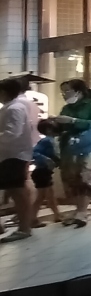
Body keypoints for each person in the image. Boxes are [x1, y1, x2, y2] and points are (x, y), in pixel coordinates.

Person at [49, 78, 91, 228]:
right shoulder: (67, 108)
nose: (64, 94)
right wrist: (55, 123)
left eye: (67, 91)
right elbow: (61, 128)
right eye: (62, 92)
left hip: (87, 145)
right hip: (69, 145)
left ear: (79, 91)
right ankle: (80, 210)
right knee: (71, 177)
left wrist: (73, 121)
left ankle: (82, 211)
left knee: (85, 175)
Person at [0, 77, 39, 241]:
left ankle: (24, 227)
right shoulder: (12, 107)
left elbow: (12, 133)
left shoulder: (15, 108)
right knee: (15, 190)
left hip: (14, 155)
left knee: (18, 191)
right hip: (10, 155)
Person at [31, 119, 63, 227]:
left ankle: (57, 215)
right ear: (49, 129)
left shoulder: (51, 140)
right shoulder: (47, 141)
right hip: (42, 171)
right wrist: (46, 159)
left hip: (44, 171)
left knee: (48, 195)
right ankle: (32, 219)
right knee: (44, 196)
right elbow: (34, 152)